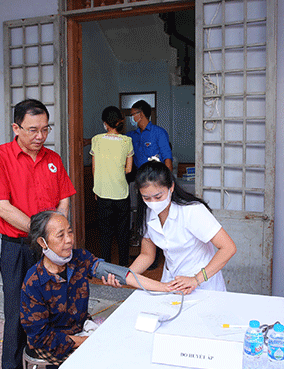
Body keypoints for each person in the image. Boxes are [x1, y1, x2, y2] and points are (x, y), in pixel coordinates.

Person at [0, 99, 76, 369]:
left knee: (58, 309)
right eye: (33, 130)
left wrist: (58, 236)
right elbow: (3, 208)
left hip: (50, 247)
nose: (40, 136)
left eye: (45, 129)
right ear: (16, 127)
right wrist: (44, 234)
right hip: (18, 249)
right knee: (18, 315)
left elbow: (64, 198)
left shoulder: (53, 159)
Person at [20, 210, 171, 368]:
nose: (69, 240)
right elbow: (40, 336)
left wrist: (165, 287)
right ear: (43, 242)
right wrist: (86, 340)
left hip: (79, 328)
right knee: (98, 363)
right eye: (60, 235)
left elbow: (123, 275)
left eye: (70, 232)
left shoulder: (80, 258)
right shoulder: (34, 282)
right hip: (53, 342)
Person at [108, 160, 236, 294]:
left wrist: (196, 279)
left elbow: (228, 248)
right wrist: (125, 276)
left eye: (158, 196)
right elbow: (147, 255)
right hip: (172, 281)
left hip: (202, 282)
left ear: (171, 187)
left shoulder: (192, 211)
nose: (153, 203)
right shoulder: (147, 213)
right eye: (146, 198)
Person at [90, 106, 133, 266]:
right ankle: (123, 265)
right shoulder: (126, 141)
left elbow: (94, 168)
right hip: (122, 193)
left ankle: (106, 265)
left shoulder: (96, 140)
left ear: (105, 123)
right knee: (122, 231)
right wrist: (117, 169)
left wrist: (97, 188)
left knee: (105, 232)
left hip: (102, 193)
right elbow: (128, 169)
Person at [126, 100, 173, 173]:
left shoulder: (159, 132)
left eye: (133, 115)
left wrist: (168, 180)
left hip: (155, 176)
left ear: (141, 114)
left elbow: (167, 158)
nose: (132, 117)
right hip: (139, 176)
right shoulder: (132, 135)